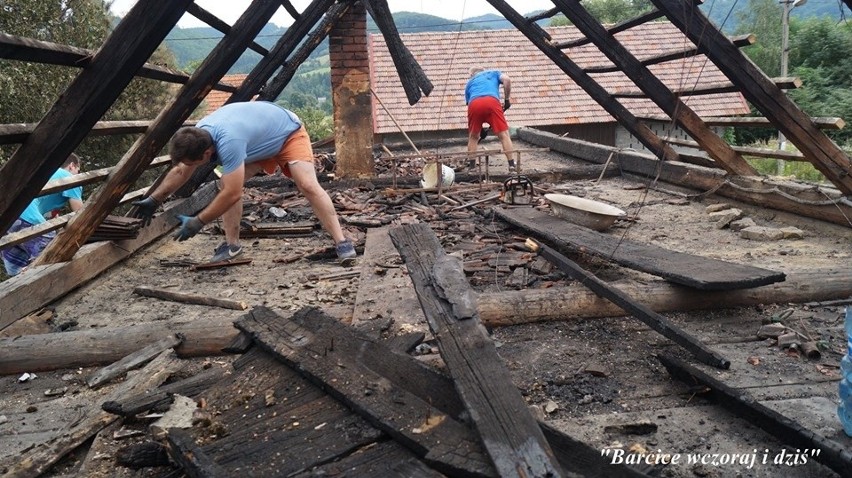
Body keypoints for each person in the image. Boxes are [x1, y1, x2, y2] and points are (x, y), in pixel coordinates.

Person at [131, 101, 355, 263]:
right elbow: (181, 171)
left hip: (287, 133)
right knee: (224, 185)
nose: (190, 166)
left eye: (194, 162)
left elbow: (233, 194)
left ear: (207, 153)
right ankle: (232, 246)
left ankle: (342, 242)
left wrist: (198, 221)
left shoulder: (229, 142)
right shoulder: (199, 134)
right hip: (258, 142)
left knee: (307, 185)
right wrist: (154, 199)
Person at [2, 154, 84, 276]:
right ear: (72, 166)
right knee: (50, 256)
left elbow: (52, 217)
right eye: (78, 170)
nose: (78, 173)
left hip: (6, 219)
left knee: (18, 272)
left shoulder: (46, 173)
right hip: (26, 216)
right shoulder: (69, 177)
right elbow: (80, 212)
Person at [465, 67, 515, 172]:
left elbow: (471, 106)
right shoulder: (493, 73)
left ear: (472, 75)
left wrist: (480, 130)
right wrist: (506, 100)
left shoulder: (469, 84)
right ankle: (512, 165)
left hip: (474, 104)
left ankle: (472, 167)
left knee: (473, 137)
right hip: (492, 102)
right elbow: (507, 80)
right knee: (504, 135)